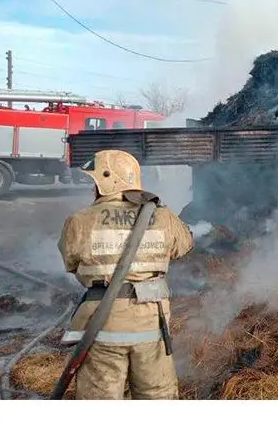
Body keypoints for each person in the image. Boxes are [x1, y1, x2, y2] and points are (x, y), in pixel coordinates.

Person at [57, 149, 194, 399]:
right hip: (151, 322)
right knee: (157, 396)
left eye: (95, 182)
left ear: (106, 181)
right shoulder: (162, 215)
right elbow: (184, 245)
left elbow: (71, 261)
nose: (93, 188)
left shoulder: (79, 220)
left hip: (102, 325)